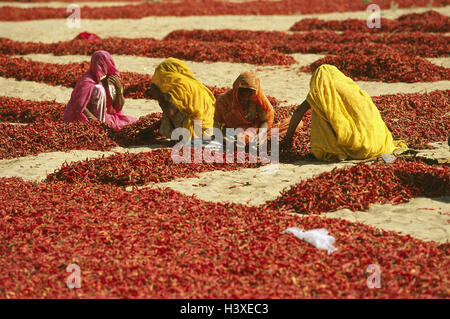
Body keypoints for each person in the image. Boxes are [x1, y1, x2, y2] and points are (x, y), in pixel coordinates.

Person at [281, 64, 407, 161]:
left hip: (357, 145)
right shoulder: (353, 89)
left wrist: (288, 138)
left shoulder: (322, 92)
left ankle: (337, 149)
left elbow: (299, 111)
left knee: (321, 110)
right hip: (380, 142)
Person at [144, 57, 216, 141]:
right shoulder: (195, 85)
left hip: (194, 133)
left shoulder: (177, 88)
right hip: (209, 129)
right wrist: (150, 128)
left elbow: (170, 112)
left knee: (167, 107)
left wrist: (160, 97)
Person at [63, 50, 137, 130]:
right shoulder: (86, 82)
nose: (101, 67)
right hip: (83, 119)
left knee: (134, 122)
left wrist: (119, 89)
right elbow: (80, 108)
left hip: (106, 116)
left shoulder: (112, 79)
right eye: (99, 64)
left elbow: (118, 107)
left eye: (104, 64)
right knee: (99, 89)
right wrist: (97, 123)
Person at [214, 71, 274, 143]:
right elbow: (217, 122)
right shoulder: (224, 100)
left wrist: (260, 135)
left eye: (249, 95)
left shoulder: (257, 100)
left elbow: (264, 120)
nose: (245, 98)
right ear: (236, 90)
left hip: (252, 131)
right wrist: (220, 137)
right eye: (242, 95)